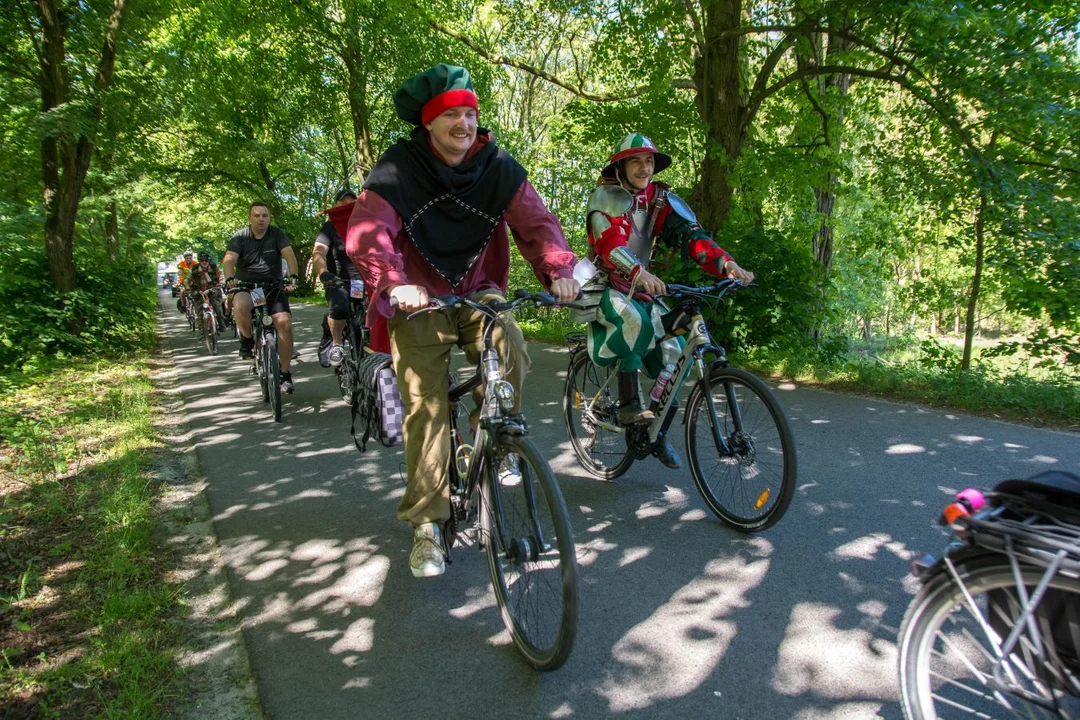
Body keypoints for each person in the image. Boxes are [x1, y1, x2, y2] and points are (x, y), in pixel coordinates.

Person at [346, 63, 580, 579]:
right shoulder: (397, 168)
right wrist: (392, 280)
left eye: (470, 114)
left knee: (510, 341)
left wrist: (558, 269)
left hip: (478, 291)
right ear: (429, 122)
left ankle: (495, 439)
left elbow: (538, 224)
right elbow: (370, 229)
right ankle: (427, 526)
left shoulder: (497, 167)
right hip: (417, 300)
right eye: (451, 114)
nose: (464, 124)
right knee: (425, 405)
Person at [580, 132, 755, 469]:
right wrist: (637, 271)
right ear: (621, 165)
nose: (644, 167)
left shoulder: (660, 201)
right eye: (636, 160)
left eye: (649, 161)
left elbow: (691, 236)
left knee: (677, 352)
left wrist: (726, 264)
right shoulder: (606, 197)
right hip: (609, 285)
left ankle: (655, 434)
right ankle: (630, 403)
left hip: (645, 287)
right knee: (634, 322)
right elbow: (609, 242)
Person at [222, 202, 300, 394]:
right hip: (248, 286)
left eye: (265, 215)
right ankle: (248, 340)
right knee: (240, 305)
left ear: (269, 218)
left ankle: (285, 373)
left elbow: (289, 255)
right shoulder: (240, 237)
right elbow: (229, 259)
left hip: (272, 285)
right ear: (250, 218)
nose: (261, 219)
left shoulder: (276, 234)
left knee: (284, 323)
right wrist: (230, 277)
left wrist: (293, 275)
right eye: (256, 215)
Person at [312, 188, 360, 367]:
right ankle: (337, 344)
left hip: (363, 282)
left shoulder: (366, 223)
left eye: (352, 201)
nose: (348, 204)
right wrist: (323, 272)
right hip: (338, 280)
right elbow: (318, 253)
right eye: (343, 201)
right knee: (339, 307)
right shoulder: (329, 227)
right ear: (336, 205)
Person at [186, 251, 224, 330]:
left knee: (217, 305)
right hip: (198, 291)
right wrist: (188, 288)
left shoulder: (214, 267)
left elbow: (221, 276)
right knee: (198, 310)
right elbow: (186, 280)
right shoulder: (194, 268)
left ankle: (221, 322)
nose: (204, 262)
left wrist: (221, 283)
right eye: (202, 260)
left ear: (209, 260)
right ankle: (202, 330)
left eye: (206, 260)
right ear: (199, 261)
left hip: (212, 289)